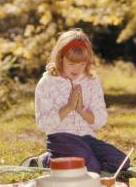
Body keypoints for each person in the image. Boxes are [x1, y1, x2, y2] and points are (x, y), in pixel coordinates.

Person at [33, 29, 130, 174]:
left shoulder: (92, 80)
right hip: (60, 138)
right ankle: (48, 160)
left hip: (87, 138)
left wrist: (81, 111)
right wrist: (69, 107)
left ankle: (65, 161)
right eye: (72, 64)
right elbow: (43, 124)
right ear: (60, 58)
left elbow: (100, 120)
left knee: (122, 162)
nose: (77, 69)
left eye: (82, 64)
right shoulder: (47, 82)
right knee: (91, 168)